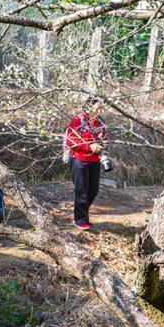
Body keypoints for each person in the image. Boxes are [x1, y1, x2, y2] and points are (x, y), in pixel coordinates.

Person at [65, 96, 106, 230]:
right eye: (97, 108)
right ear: (89, 107)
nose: (99, 111)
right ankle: (80, 220)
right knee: (81, 191)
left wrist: (102, 148)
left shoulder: (101, 122)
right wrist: (89, 147)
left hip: (95, 160)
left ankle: (81, 214)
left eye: (101, 108)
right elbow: (70, 141)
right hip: (79, 160)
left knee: (93, 190)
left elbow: (105, 139)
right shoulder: (78, 120)